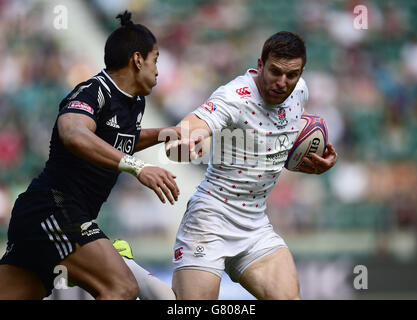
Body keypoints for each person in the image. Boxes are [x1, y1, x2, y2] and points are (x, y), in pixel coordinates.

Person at [0, 11, 178, 300]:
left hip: (45, 217)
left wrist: (165, 134)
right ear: (137, 60)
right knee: (121, 288)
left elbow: (117, 140)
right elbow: (73, 133)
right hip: (53, 210)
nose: (158, 70)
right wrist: (138, 168)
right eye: (155, 60)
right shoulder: (94, 91)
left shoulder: (134, 104)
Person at [166, 31, 338, 299]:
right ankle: (143, 281)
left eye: (291, 75)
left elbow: (282, 136)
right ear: (260, 65)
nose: (282, 83)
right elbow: (193, 125)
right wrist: (187, 137)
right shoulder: (235, 97)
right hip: (210, 219)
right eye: (275, 72)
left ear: (301, 72)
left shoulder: (300, 91)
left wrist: (315, 160)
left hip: (255, 224)